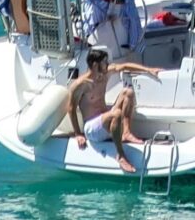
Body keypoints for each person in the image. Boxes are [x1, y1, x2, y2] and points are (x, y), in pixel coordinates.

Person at [67, 46, 158, 174]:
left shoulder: (105, 73)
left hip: (107, 119)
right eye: (104, 62)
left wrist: (149, 70)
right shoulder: (80, 85)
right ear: (95, 65)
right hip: (92, 128)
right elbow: (71, 108)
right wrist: (78, 134)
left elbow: (124, 66)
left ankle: (126, 132)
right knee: (116, 114)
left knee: (128, 92)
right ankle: (120, 155)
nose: (107, 65)